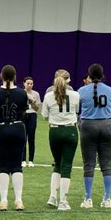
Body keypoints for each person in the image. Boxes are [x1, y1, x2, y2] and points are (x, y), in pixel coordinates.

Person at [0, 64, 30, 211]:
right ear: (15, 77)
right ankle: (18, 200)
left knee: (3, 166)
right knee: (17, 165)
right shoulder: (21, 93)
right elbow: (24, 112)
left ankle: (4, 200)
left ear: (2, 76)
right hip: (18, 128)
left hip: (0, 129)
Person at [41, 69, 81, 210]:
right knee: (66, 166)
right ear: (68, 80)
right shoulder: (75, 95)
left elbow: (45, 116)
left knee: (57, 163)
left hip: (55, 131)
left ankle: (53, 196)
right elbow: (76, 111)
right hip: (70, 130)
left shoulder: (48, 96)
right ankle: (63, 201)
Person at [77, 63, 111, 209]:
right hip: (107, 125)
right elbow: (110, 108)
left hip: (88, 126)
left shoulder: (82, 90)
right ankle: (107, 198)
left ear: (89, 75)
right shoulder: (110, 90)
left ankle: (88, 198)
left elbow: (79, 110)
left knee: (89, 163)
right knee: (106, 163)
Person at [22, 76, 40, 167]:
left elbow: (37, 108)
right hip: (24, 115)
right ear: (24, 84)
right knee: (23, 138)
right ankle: (23, 160)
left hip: (32, 115)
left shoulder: (36, 94)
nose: (29, 85)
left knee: (31, 137)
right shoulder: (20, 93)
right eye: (28, 83)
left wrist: (32, 101)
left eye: (31, 84)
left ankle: (31, 160)